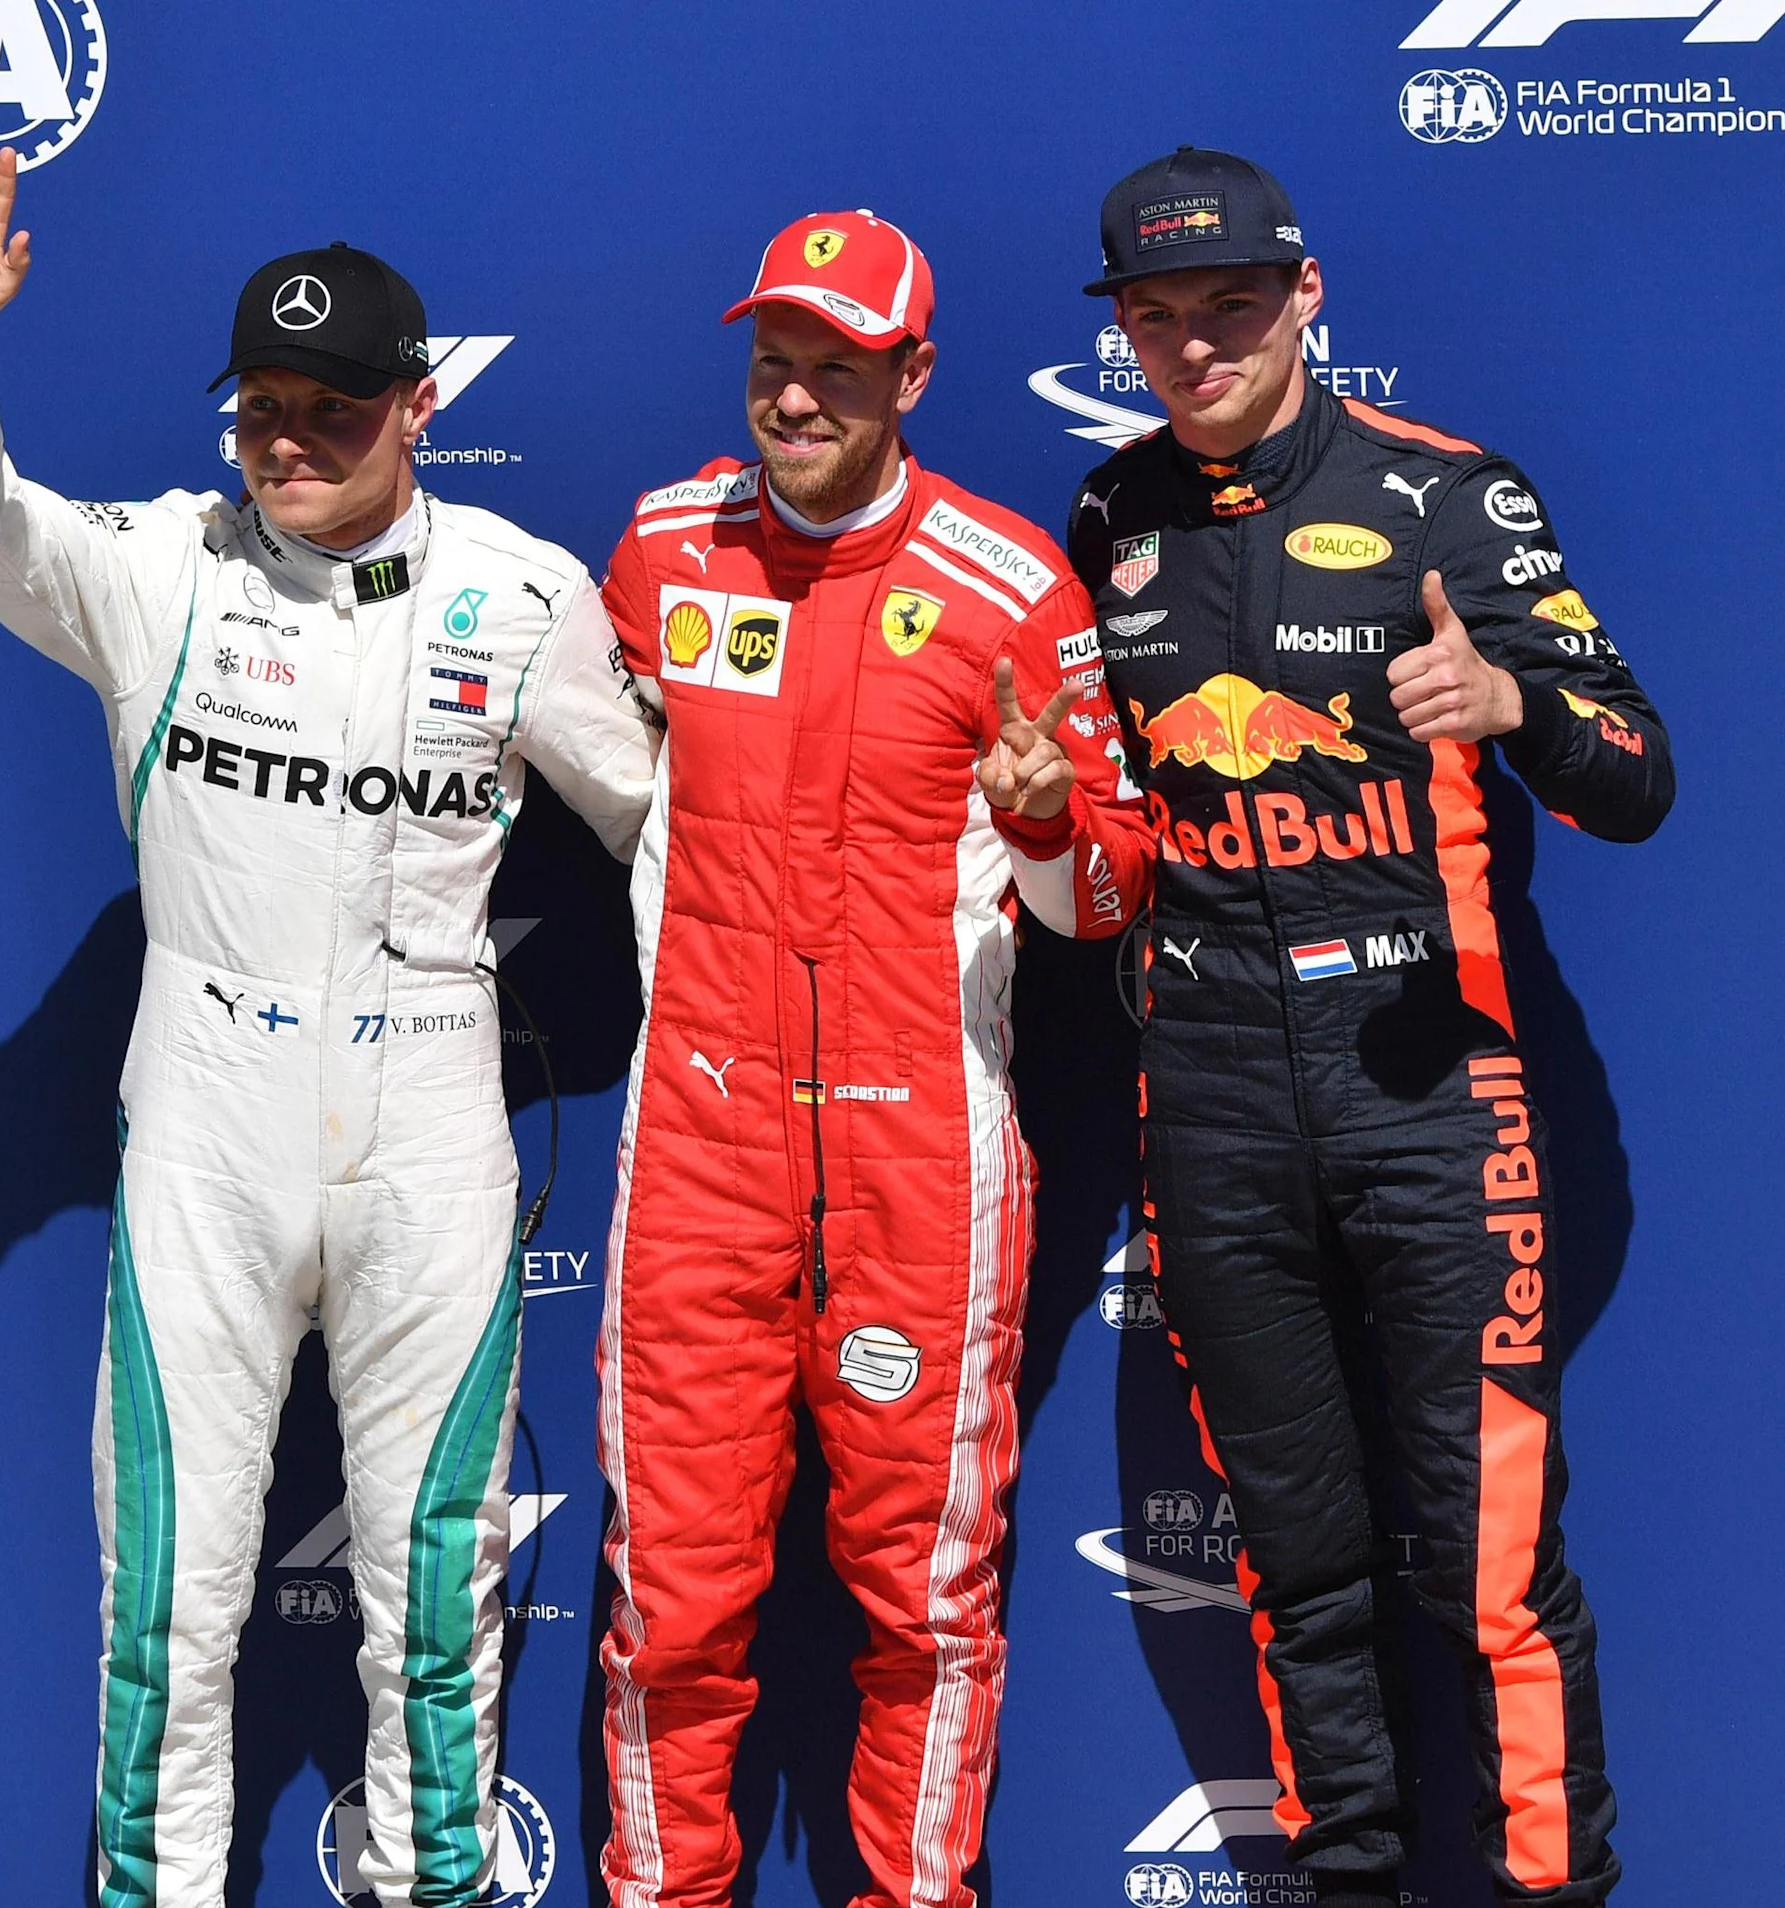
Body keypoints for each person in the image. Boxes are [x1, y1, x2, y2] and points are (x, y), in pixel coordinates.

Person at [0, 131, 658, 1908]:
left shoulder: (521, 592)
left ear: (419, 406)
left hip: (433, 1124)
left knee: (437, 1589)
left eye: (335, 408)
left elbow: (666, 823)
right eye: (262, 409)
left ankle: (431, 1889)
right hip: (206, 1123)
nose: (290, 440)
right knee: (168, 1598)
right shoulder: (161, 566)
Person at [1070, 147, 1674, 1907]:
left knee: (1489, 1573)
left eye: (1232, 307)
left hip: (1428, 1080)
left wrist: (1511, 704)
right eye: (1157, 319)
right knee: (1297, 1569)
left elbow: (1639, 775)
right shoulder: (1108, 518)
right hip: (1209, 1089)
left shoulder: (1449, 495)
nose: (1196, 347)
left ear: (1307, 294)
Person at [589, 209, 1154, 1908]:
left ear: (912, 377)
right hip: (699, 1150)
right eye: (776, 361)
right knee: (670, 1608)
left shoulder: (1011, 586)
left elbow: (1104, 896)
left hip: (923, 1163)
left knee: (925, 1612)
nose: (796, 396)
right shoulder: (664, 549)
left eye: (836, 368)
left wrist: (1044, 822)